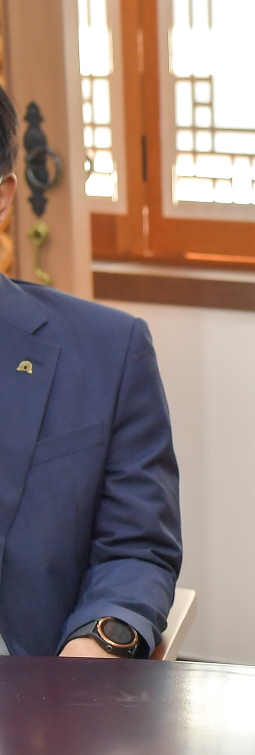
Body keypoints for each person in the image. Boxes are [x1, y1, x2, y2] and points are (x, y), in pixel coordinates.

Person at [0, 84, 180, 659]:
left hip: (33, 694)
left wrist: (95, 646)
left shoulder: (107, 351)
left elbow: (136, 550)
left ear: (2, 197)